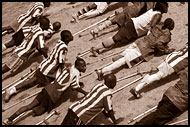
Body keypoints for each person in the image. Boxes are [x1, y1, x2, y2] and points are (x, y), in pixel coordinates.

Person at [3, 58, 88, 125]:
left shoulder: (70, 67)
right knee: (40, 111)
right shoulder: (76, 73)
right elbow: (75, 86)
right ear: (79, 67)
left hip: (48, 88)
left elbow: (68, 79)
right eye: (83, 66)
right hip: (52, 94)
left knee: (28, 105)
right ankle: (35, 110)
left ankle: (9, 119)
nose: (85, 67)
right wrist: (85, 93)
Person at [4, 30, 73, 103]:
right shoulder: (64, 48)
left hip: (46, 64)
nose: (72, 36)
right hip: (48, 68)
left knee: (35, 79)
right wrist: (63, 70)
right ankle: (12, 89)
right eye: (69, 36)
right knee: (34, 80)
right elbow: (60, 61)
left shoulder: (60, 43)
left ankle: (13, 89)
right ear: (66, 39)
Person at [95, 18, 175, 81]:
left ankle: (114, 61)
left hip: (139, 42)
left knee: (123, 55)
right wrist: (166, 51)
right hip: (142, 49)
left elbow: (151, 29)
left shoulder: (159, 25)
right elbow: (158, 43)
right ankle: (102, 71)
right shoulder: (167, 35)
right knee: (122, 61)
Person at [90, 2, 168, 56]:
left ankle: (97, 36)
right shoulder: (158, 15)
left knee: (115, 30)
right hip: (134, 27)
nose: (167, 8)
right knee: (116, 39)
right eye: (166, 6)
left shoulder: (153, 10)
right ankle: (96, 48)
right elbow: (152, 26)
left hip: (133, 23)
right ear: (162, 7)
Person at [90, 2, 156, 38]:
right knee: (122, 28)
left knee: (113, 21)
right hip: (134, 14)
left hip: (128, 10)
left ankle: (96, 30)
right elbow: (146, 9)